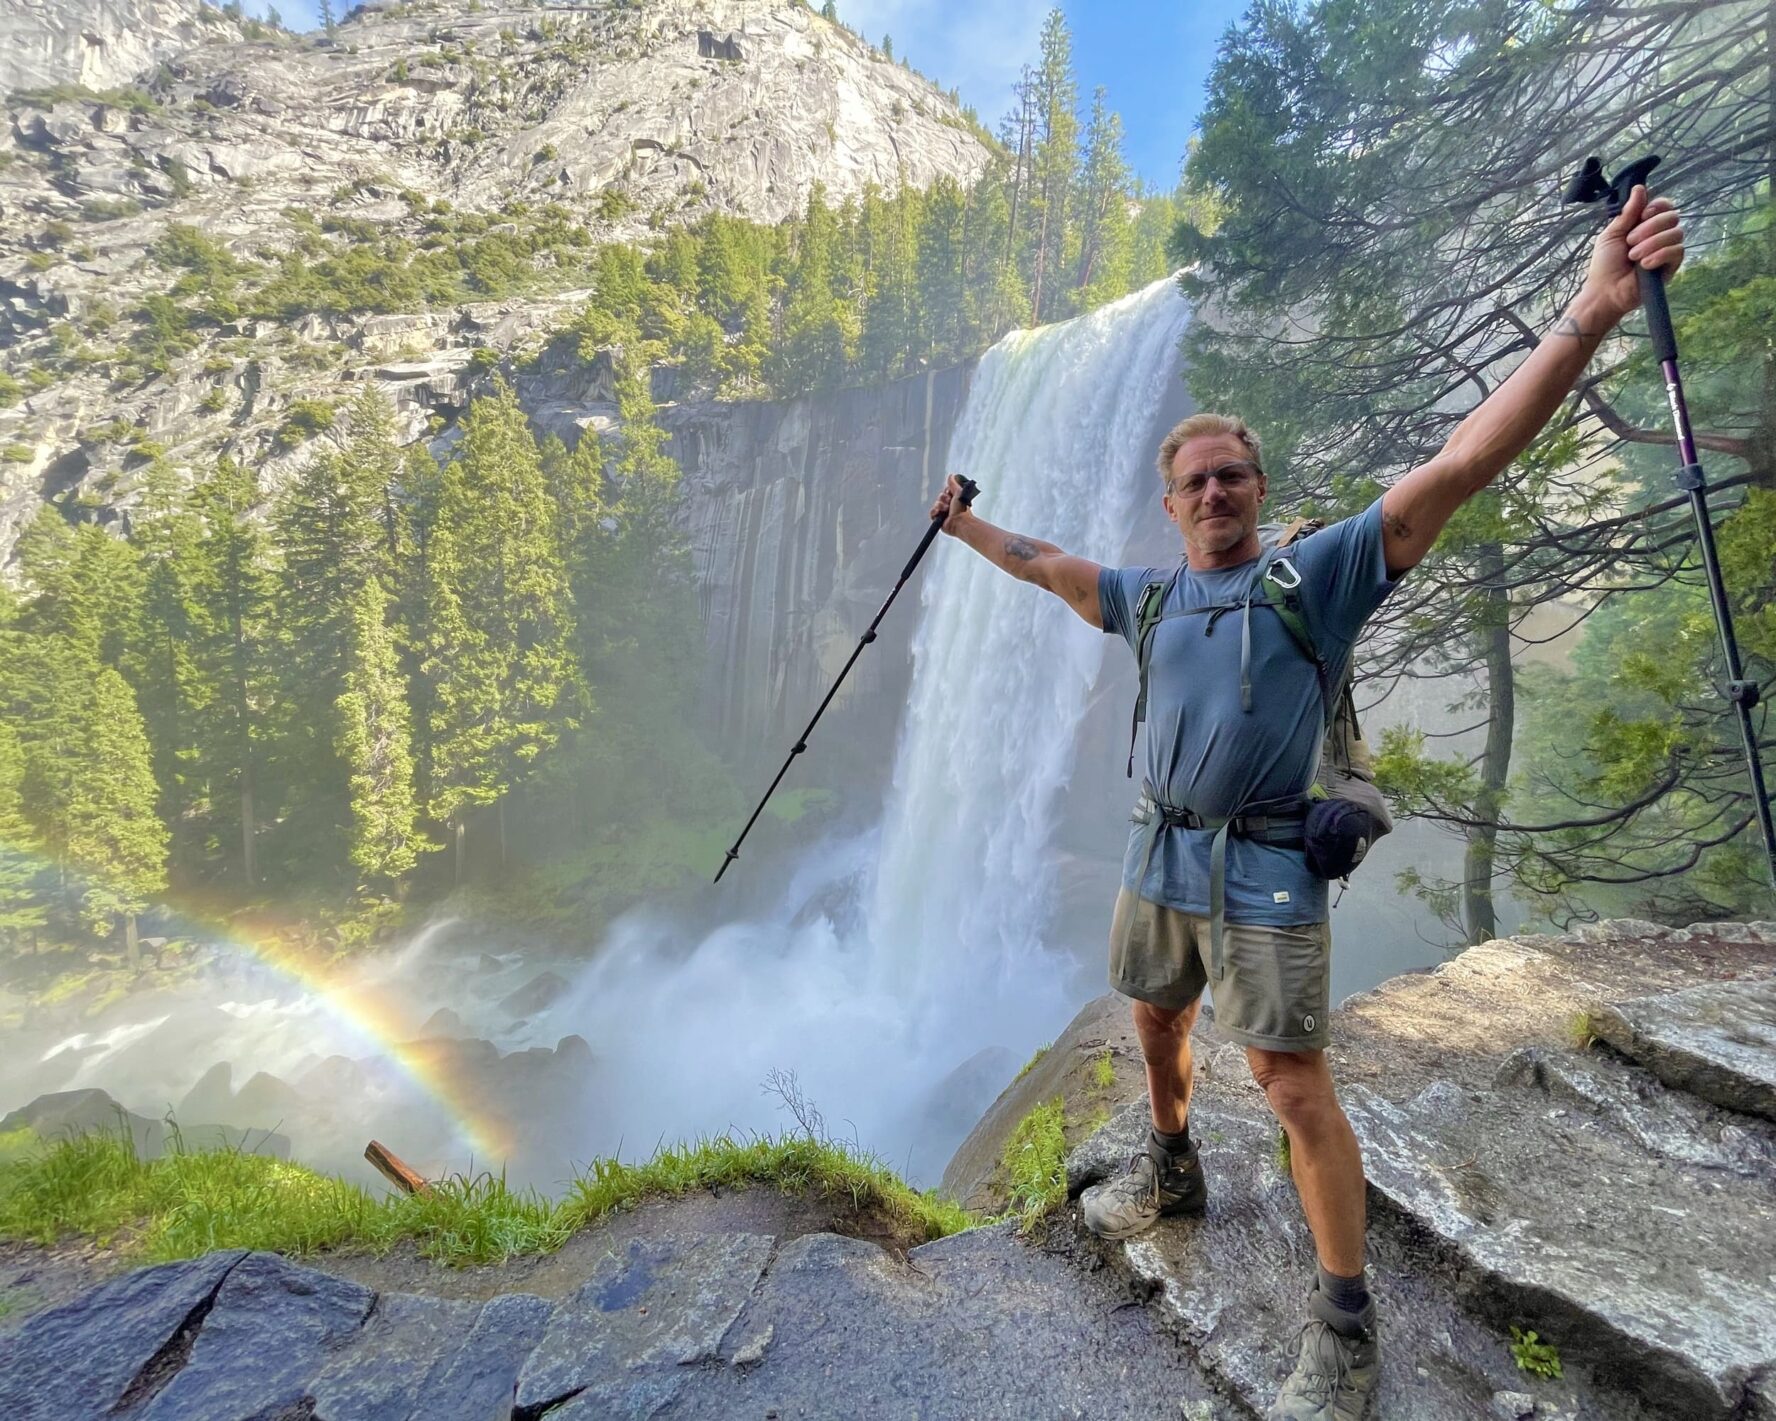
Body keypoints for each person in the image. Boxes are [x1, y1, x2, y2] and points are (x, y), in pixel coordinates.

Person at [928, 184, 1684, 1420]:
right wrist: (963, 529)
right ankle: (1172, 1169)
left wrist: (1593, 309)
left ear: (1259, 490)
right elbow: (1045, 566)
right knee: (1153, 1019)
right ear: (1170, 506)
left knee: (1289, 1083)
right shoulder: (1152, 597)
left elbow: (1460, 461)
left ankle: (1343, 1324)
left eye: (1232, 477)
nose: (1215, 494)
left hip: (1268, 866)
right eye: (1195, 484)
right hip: (1158, 852)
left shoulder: (1317, 577)